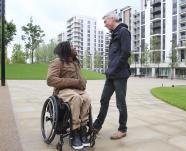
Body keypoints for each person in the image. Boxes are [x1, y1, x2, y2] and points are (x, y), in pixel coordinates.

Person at [93, 12, 131, 140]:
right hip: (111, 74)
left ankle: (122, 129)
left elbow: (125, 53)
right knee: (104, 99)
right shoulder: (114, 33)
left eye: (105, 21)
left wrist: (113, 69)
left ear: (113, 18)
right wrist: (110, 70)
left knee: (120, 103)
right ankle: (97, 126)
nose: (104, 25)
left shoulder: (123, 32)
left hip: (119, 75)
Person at [47, 41, 91, 150]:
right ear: (66, 49)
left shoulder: (76, 63)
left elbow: (80, 79)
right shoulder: (57, 62)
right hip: (63, 91)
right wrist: (73, 82)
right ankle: (74, 130)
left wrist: (83, 82)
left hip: (77, 90)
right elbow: (50, 80)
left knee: (87, 98)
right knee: (76, 98)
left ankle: (82, 128)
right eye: (72, 46)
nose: (74, 47)